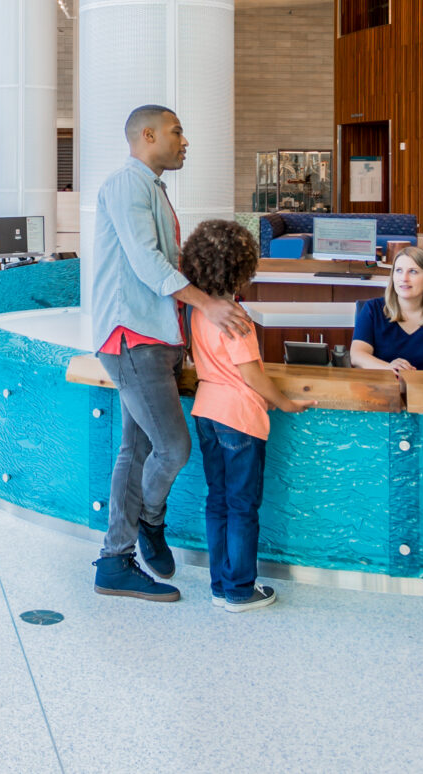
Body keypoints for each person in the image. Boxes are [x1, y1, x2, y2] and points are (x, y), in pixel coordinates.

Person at [83, 104, 255, 604]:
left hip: (154, 339)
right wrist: (208, 305)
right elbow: (145, 261)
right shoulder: (126, 184)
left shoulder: (151, 189)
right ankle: (149, 522)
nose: (185, 141)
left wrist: (212, 298)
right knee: (173, 448)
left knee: (135, 451)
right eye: (178, 131)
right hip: (131, 339)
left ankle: (116, 560)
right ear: (148, 133)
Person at [177, 219, 307, 611]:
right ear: (243, 268)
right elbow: (250, 374)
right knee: (242, 507)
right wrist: (284, 402)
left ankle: (221, 584)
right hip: (238, 417)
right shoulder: (235, 317)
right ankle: (239, 590)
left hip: (206, 411)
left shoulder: (199, 312)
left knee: (217, 500)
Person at [348, 246, 423, 371]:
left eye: (413, 271)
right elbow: (357, 356)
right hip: (383, 387)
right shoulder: (373, 309)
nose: (404, 278)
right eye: (399, 270)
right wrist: (390, 367)